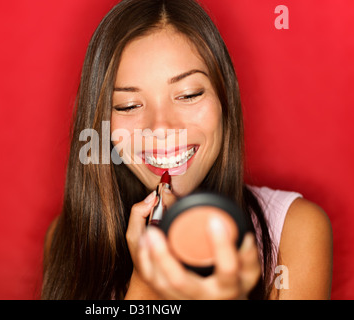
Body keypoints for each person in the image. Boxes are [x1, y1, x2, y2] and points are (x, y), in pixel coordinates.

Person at [41, 0, 333, 300]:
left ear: (224, 99)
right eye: (128, 105)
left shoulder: (294, 231)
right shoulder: (66, 238)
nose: (161, 127)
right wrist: (145, 288)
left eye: (188, 95)